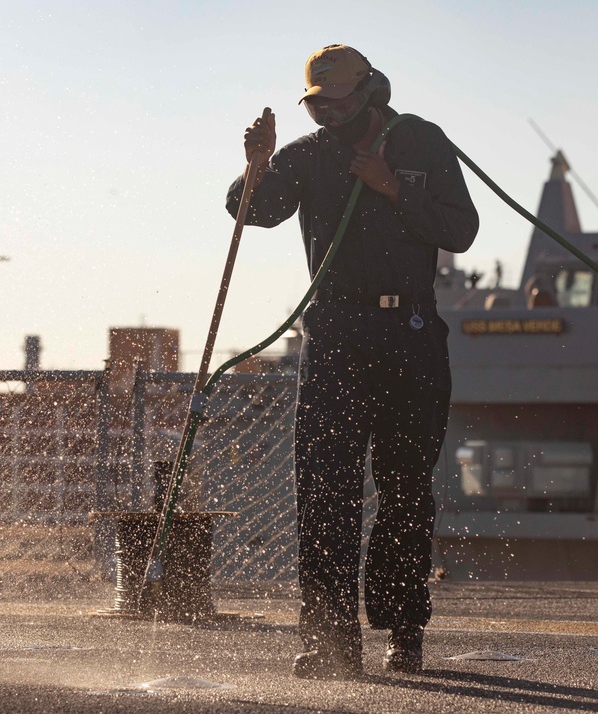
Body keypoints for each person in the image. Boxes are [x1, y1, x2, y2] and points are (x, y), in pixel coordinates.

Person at [226, 45, 479, 679]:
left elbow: (462, 230)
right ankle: (327, 638)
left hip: (411, 331)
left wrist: (391, 187)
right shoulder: (307, 154)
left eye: (338, 104)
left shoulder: (421, 142)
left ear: (369, 94)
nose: (328, 116)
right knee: (324, 491)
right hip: (336, 333)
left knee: (405, 489)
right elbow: (251, 212)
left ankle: (403, 629)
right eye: (317, 105)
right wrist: (254, 166)